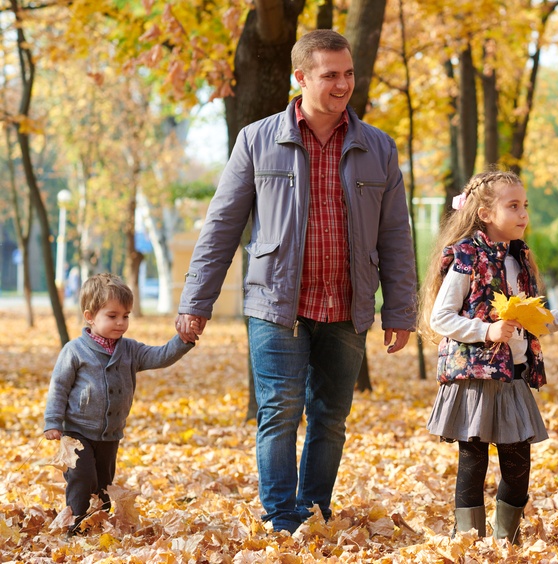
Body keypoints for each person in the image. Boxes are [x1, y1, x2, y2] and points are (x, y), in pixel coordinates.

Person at [174, 30, 417, 533]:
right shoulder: (257, 140)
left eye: (348, 73)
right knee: (280, 411)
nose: (343, 84)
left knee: (330, 417)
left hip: (347, 305)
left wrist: (399, 310)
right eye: (330, 75)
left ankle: (315, 511)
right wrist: (196, 302)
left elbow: (395, 235)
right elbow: (221, 226)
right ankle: (282, 518)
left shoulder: (378, 148)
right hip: (276, 304)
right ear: (300, 77)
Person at [421, 170, 558, 543]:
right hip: (475, 378)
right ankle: (469, 541)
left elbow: (529, 320)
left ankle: (507, 540)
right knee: (474, 461)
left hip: (513, 375)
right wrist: (485, 331)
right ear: (485, 213)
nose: (523, 214)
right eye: (513, 206)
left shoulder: (520, 258)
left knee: (518, 466)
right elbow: (441, 317)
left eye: (525, 206)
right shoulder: (469, 256)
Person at [44, 273, 194, 533]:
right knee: (82, 477)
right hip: (77, 431)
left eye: (125, 316)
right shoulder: (75, 351)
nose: (121, 322)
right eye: (112, 316)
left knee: (103, 482)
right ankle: (75, 526)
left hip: (110, 432)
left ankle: (98, 522)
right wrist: (53, 422)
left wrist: (183, 341)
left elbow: (160, 356)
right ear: (90, 316)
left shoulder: (130, 350)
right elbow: (59, 387)